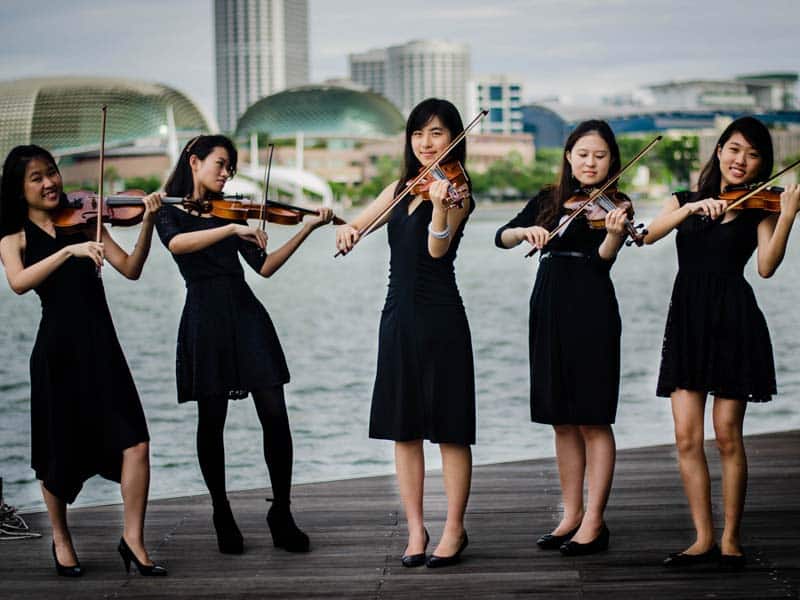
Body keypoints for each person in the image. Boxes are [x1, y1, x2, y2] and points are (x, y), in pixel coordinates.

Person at [155, 135, 332, 555]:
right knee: (211, 419)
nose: (226, 172)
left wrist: (306, 228)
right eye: (220, 163)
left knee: (274, 411)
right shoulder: (167, 208)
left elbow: (265, 267)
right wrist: (232, 228)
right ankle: (221, 510)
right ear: (193, 162)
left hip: (245, 313)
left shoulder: (229, 209)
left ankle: (282, 511)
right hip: (204, 316)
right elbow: (177, 245)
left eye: (230, 167)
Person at [0, 145, 166, 576]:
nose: (50, 182)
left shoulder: (88, 221)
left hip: (102, 347)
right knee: (56, 452)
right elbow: (18, 283)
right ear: (20, 189)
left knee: (136, 443)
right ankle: (61, 537)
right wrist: (66, 253)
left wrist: (147, 222)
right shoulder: (14, 237)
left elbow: (130, 268)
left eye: (51, 172)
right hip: (57, 352)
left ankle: (133, 540)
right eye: (36, 177)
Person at [644, 116, 800, 569]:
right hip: (689, 320)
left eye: (752, 155)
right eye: (734, 149)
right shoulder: (684, 200)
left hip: (734, 321)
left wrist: (787, 215)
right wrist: (691, 209)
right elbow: (648, 235)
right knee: (686, 436)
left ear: (760, 165)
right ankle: (702, 538)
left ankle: (731, 538)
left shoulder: (760, 208)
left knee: (728, 436)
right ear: (719, 151)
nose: (741, 160)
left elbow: (767, 267)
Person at [336, 98, 475, 568]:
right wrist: (348, 230)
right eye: (418, 133)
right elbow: (363, 220)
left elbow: (438, 251)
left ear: (454, 137)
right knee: (405, 428)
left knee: (450, 430)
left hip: (440, 317)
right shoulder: (402, 186)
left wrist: (438, 210)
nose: (426, 143)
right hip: (397, 315)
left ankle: (454, 530)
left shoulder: (458, 192)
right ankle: (416, 530)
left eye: (436, 133)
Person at [495, 120, 630, 556]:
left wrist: (612, 235)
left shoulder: (617, 205)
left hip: (591, 309)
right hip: (549, 307)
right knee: (561, 418)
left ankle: (595, 520)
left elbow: (603, 262)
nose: (590, 162)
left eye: (600, 155)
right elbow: (503, 236)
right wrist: (526, 232)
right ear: (569, 155)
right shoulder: (550, 200)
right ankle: (570, 514)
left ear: (612, 161)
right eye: (583, 153)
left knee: (592, 416)